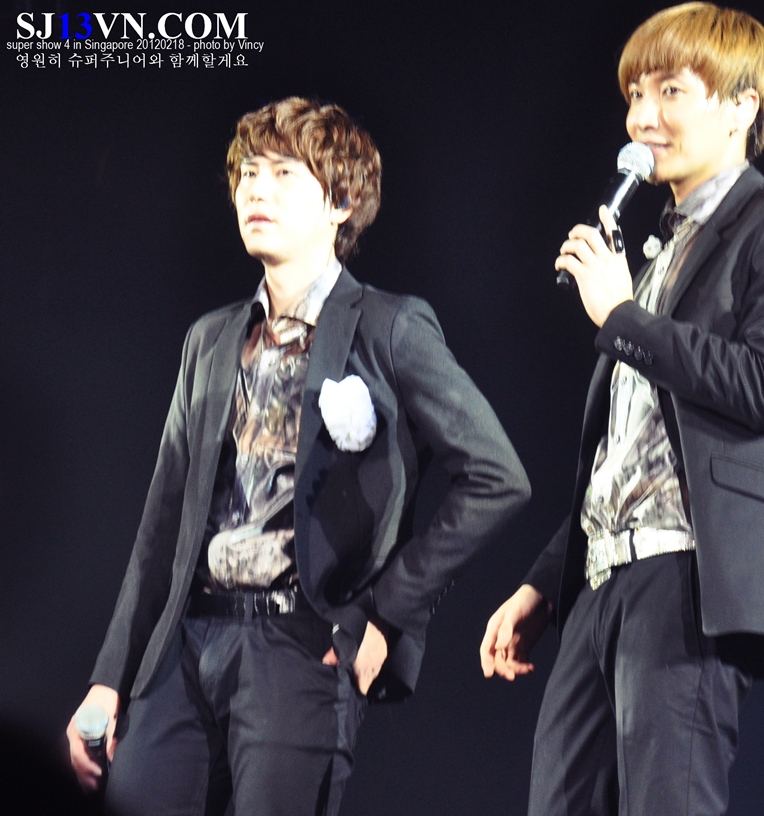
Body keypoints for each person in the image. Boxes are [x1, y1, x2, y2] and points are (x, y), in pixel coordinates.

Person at [66, 96, 531, 816]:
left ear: (340, 203)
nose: (257, 189)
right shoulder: (211, 339)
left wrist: (385, 612)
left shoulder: (389, 327)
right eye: (249, 173)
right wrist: (110, 677)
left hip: (301, 644)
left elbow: (497, 477)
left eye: (284, 173)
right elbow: (164, 520)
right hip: (184, 646)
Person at [480, 4, 764, 814]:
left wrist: (622, 317)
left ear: (742, 106)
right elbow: (629, 451)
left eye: (671, 91)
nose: (643, 118)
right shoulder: (655, 259)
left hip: (690, 578)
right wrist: (545, 583)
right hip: (603, 582)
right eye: (635, 96)